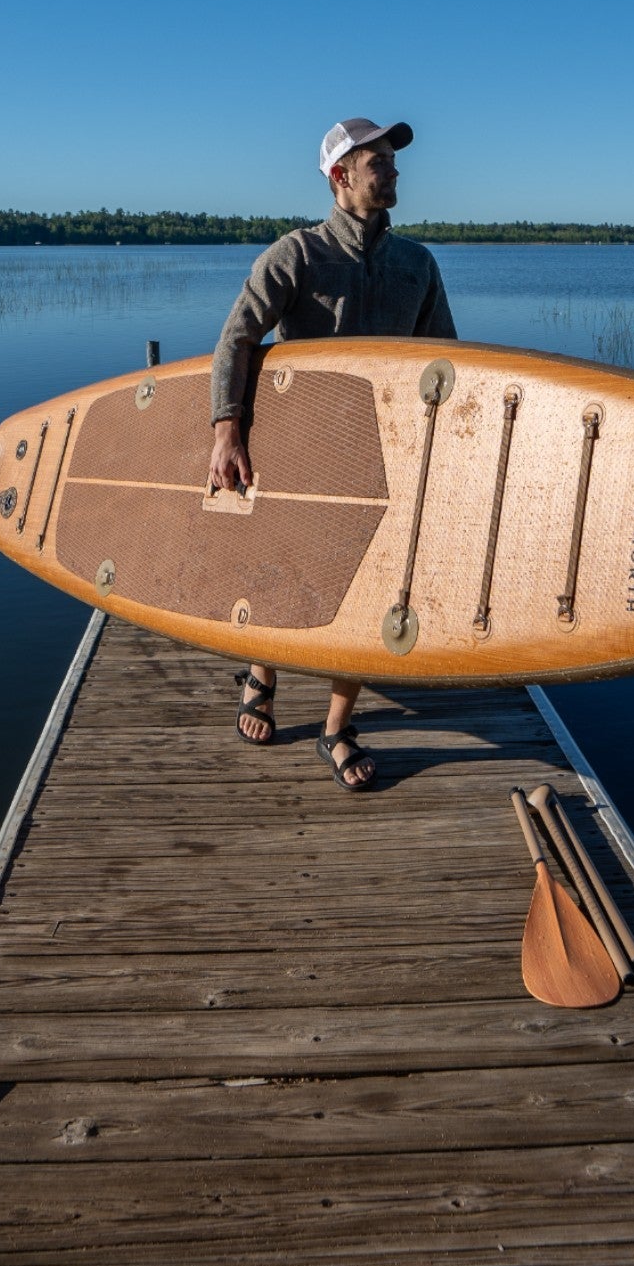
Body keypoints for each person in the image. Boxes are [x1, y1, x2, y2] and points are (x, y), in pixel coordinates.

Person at [209, 116, 457, 789]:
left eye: (392, 162)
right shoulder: (297, 255)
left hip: (390, 458)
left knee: (369, 587)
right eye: (379, 162)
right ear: (341, 175)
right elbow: (237, 338)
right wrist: (227, 427)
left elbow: (448, 362)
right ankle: (261, 672)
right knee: (279, 576)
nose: (395, 172)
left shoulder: (418, 264)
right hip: (303, 452)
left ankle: (337, 727)